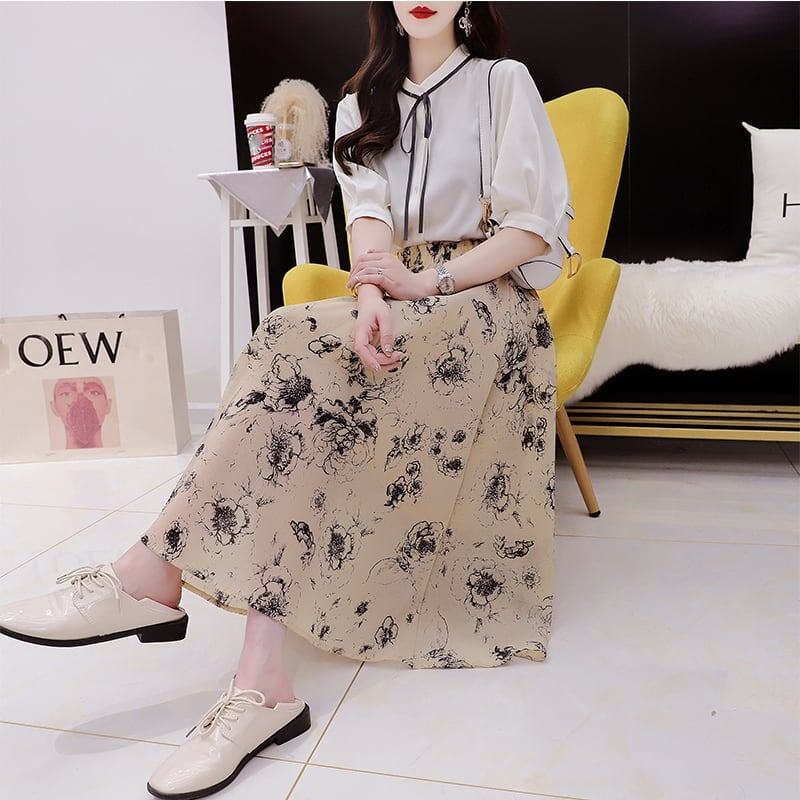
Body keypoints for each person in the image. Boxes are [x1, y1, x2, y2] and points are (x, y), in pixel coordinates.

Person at [0, 2, 577, 798]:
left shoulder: (501, 83)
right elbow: (367, 217)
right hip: (395, 293)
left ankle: (156, 580)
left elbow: (534, 230)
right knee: (288, 336)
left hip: (483, 303)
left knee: (306, 359)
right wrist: (373, 295)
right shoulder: (360, 100)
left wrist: (429, 282)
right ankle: (257, 677)